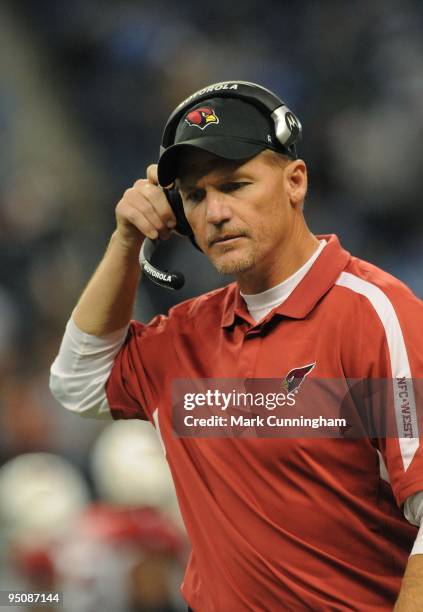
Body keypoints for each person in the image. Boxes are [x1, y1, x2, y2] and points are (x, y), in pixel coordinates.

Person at [50, 81, 423, 611]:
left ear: (295, 182)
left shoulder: (376, 316)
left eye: (235, 185)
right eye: (196, 196)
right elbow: (76, 384)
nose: (215, 213)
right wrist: (126, 241)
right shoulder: (181, 339)